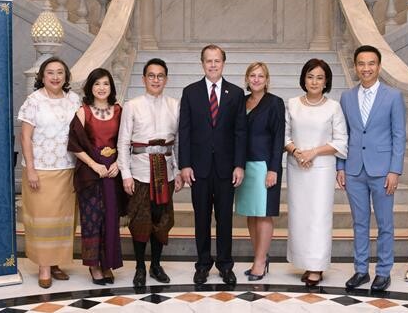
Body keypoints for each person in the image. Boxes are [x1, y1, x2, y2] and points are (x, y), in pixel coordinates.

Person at [336, 45, 406, 292]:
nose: (366, 68)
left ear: (379, 66)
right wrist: (340, 166)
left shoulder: (393, 96)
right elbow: (342, 135)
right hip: (354, 170)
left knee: (385, 223)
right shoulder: (346, 97)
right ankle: (361, 270)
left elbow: (399, 136)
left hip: (383, 171)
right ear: (355, 67)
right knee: (360, 223)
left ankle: (384, 271)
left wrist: (395, 170)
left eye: (371, 63)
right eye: (361, 64)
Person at [179, 44, 246, 285]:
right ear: (202, 64)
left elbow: (240, 133)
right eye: (209, 61)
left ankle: (226, 265)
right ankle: (203, 264)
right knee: (202, 219)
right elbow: (184, 131)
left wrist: (240, 165)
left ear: (223, 63)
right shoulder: (190, 92)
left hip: (227, 169)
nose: (213, 65)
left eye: (217, 61)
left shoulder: (236, 94)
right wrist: (184, 164)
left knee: (225, 219)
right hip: (199, 169)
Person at [117, 58, 183, 287]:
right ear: (144, 79)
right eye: (151, 76)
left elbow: (178, 143)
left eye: (160, 76)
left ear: (166, 79)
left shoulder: (174, 105)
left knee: (161, 220)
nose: (156, 80)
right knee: (140, 221)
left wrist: (179, 169)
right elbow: (123, 141)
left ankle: (156, 264)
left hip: (166, 173)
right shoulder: (132, 105)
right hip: (140, 172)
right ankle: (139, 267)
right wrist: (125, 173)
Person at [18, 57, 81, 289]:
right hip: (41, 170)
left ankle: (56, 263)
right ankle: (44, 266)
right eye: (50, 73)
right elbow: (25, 137)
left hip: (67, 168)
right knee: (42, 220)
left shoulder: (74, 100)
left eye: (60, 73)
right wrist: (31, 169)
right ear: (42, 77)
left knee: (63, 221)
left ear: (66, 77)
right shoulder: (33, 101)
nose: (55, 77)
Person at [284, 58, 348, 286]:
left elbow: (341, 142)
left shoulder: (333, 107)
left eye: (319, 77)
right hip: (297, 167)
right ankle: (304, 261)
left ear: (326, 81)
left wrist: (313, 152)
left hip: (321, 170)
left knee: (319, 218)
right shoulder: (292, 104)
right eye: (310, 76)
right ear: (303, 78)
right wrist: (297, 151)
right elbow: (284, 136)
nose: (314, 81)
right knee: (300, 217)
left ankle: (317, 267)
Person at [67, 68, 124, 286]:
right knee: (92, 219)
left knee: (111, 217)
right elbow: (74, 144)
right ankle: (94, 266)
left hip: (112, 171)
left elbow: (125, 140)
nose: (102, 88)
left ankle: (108, 263)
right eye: (97, 84)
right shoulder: (83, 112)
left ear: (111, 87)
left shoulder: (119, 110)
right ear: (91, 87)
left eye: (106, 84)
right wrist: (95, 165)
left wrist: (118, 163)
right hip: (90, 172)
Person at [234, 62, 285, 281]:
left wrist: (273, 169)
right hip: (244, 167)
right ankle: (259, 256)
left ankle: (260, 261)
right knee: (251, 215)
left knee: (263, 215)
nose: (256, 79)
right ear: (247, 78)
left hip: (265, 166)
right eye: (252, 75)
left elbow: (278, 138)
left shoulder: (275, 103)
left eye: (260, 75)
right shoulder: (241, 102)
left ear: (267, 79)